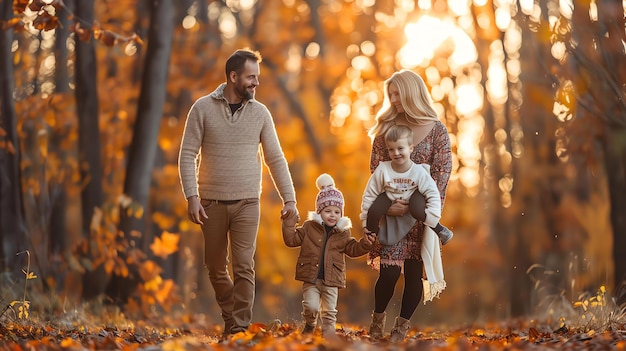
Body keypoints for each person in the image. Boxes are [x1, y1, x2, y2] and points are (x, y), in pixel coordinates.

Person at [178, 48, 298, 336]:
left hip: (247, 202)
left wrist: (290, 199)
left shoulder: (260, 113)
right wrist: (192, 197)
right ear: (233, 77)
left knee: (245, 266)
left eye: (257, 77)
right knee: (215, 267)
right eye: (251, 77)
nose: (256, 83)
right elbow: (187, 154)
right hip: (211, 203)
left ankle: (239, 329)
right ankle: (233, 319)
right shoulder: (202, 108)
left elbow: (276, 158)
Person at [366, 70, 452, 342]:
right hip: (391, 213)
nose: (393, 99)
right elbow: (375, 168)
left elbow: (443, 171)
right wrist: (389, 205)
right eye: (390, 94)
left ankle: (400, 330)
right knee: (389, 273)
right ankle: (377, 321)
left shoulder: (437, 130)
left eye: (397, 93)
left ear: (412, 92)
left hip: (421, 213)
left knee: (414, 275)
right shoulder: (385, 130)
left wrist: (427, 209)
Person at [281, 173, 376, 338]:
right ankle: (310, 324)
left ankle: (328, 335)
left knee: (329, 311)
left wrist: (366, 243)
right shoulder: (309, 227)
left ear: (341, 214)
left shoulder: (343, 233)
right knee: (311, 307)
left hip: (332, 279)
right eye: (328, 211)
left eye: (337, 212)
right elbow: (291, 240)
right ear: (320, 211)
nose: (333, 215)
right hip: (311, 278)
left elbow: (353, 249)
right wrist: (289, 222)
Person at [361, 124, 453, 246]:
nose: (396, 153)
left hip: (412, 195)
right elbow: (369, 195)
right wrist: (364, 223)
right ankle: (372, 235)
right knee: (374, 209)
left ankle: (440, 229)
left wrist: (434, 215)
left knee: (417, 207)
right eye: (391, 149)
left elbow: (432, 192)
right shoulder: (383, 169)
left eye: (400, 148)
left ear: (410, 148)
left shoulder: (419, 171)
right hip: (390, 195)